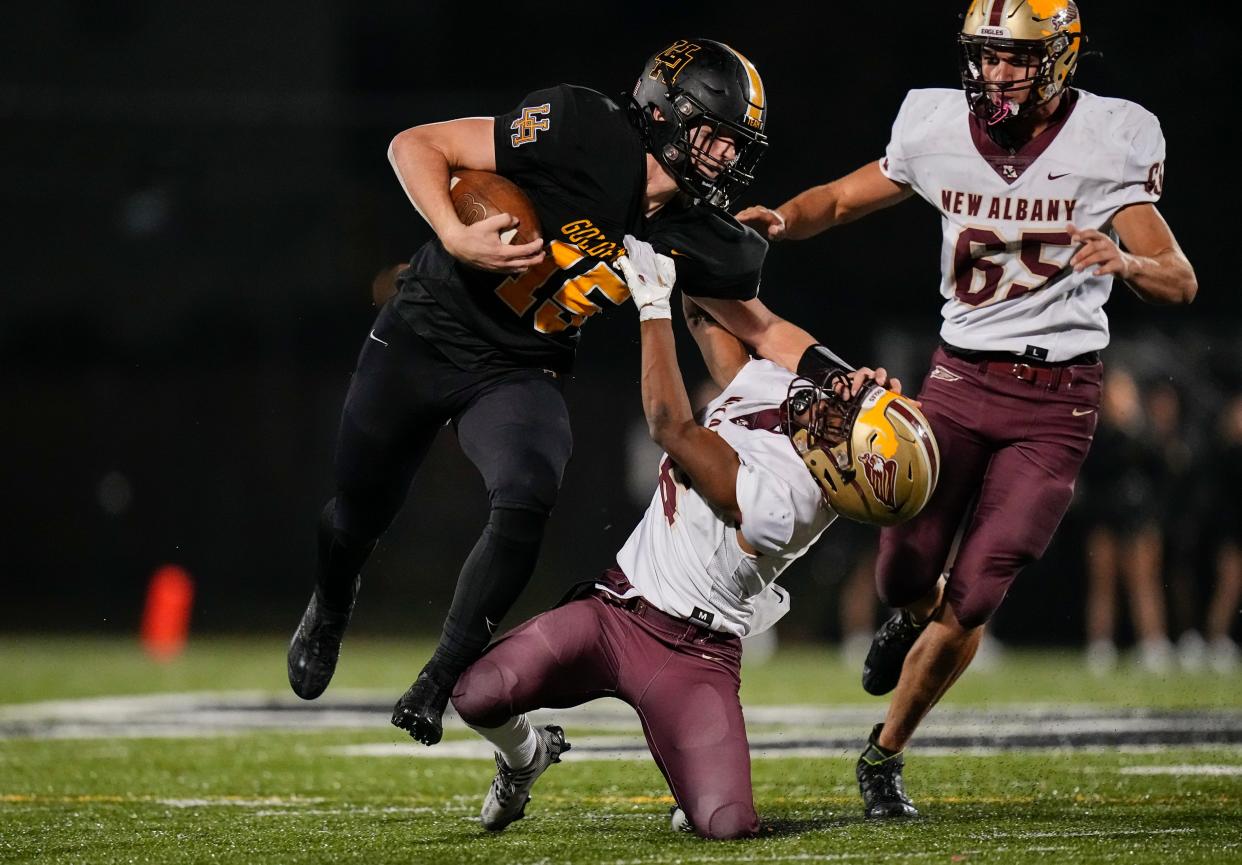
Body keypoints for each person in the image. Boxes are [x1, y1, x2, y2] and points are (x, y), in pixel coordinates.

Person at [286, 39, 831, 748]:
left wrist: (840, 378)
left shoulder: (699, 234)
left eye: (736, 146)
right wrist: (454, 233)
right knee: (358, 510)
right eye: (715, 137)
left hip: (521, 363)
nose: (727, 160)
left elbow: (762, 328)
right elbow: (417, 143)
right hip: (426, 330)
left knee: (528, 486)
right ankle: (332, 600)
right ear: (666, 114)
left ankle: (440, 676)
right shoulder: (580, 128)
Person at [737, 0, 1197, 818]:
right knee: (901, 571)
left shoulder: (1109, 138)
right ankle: (912, 616)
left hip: (1059, 400)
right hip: (956, 380)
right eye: (985, 57)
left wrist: (1124, 260)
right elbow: (843, 199)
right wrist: (783, 220)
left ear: (1059, 59)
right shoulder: (936, 124)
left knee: (979, 589)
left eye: (1014, 58)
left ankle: (883, 754)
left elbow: (1179, 277)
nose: (995, 74)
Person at [448, 236, 939, 839]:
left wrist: (651, 303)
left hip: (694, 656)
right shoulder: (796, 401)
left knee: (728, 826)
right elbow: (722, 320)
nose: (836, 409)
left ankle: (694, 781)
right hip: (615, 612)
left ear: (843, 475)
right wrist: (692, 245)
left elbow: (670, 424)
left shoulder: (785, 507)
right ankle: (526, 757)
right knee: (477, 694)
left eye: (846, 426)